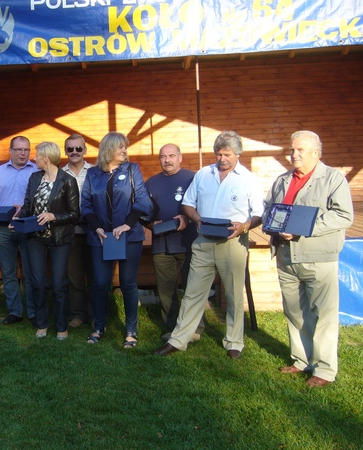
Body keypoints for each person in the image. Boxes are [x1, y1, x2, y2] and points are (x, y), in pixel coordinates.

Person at [153, 130, 264, 359]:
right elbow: (188, 203)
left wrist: (244, 226)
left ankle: (234, 342)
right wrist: (197, 219)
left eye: (227, 154)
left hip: (233, 242)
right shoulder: (204, 174)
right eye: (218, 154)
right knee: (192, 293)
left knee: (233, 294)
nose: (222, 159)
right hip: (203, 242)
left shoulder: (249, 179)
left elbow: (259, 213)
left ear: (238, 154)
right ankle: (178, 340)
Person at [264, 130, 353, 387]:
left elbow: (343, 215)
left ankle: (324, 370)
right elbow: (268, 208)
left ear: (316, 152)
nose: (294, 154)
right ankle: (302, 360)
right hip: (286, 256)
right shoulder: (282, 180)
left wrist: (304, 227)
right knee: (294, 311)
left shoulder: (333, 179)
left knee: (323, 315)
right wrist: (273, 224)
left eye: (300, 150)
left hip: (318, 257)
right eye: (292, 149)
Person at [81, 132, 153, 348]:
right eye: (120, 146)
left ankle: (131, 330)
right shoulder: (92, 174)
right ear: (108, 149)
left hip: (129, 236)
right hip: (101, 238)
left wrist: (127, 224)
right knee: (100, 283)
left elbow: (143, 201)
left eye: (125, 147)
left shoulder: (132, 170)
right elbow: (85, 205)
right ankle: (98, 326)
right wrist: (97, 228)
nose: (124, 150)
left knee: (128, 283)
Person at [16, 141, 79, 339]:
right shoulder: (35, 178)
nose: (34, 158)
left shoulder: (68, 181)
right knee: (38, 282)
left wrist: (53, 216)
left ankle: (61, 327)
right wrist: (18, 219)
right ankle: (42, 324)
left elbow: (75, 214)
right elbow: (28, 206)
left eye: (37, 155)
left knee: (59, 284)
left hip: (60, 238)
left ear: (46, 158)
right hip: (35, 238)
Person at [144, 143, 201, 340]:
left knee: (192, 287)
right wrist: (151, 224)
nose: (167, 160)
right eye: (163, 156)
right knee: (166, 289)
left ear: (180, 157)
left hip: (188, 242)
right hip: (161, 244)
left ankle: (194, 328)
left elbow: (204, 205)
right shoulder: (151, 183)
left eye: (171, 156)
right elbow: (142, 212)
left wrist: (188, 218)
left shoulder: (193, 178)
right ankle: (172, 328)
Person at [0, 136, 37, 325]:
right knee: (8, 272)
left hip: (28, 226)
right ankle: (15, 312)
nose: (23, 153)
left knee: (31, 272)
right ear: (10, 151)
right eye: (19, 149)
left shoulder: (37, 171)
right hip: (4, 227)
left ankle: (33, 312)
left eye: (26, 150)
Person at [62, 134, 94, 328]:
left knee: (95, 275)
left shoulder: (95, 172)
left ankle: (95, 315)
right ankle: (77, 314)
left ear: (85, 150)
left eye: (78, 148)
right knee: (74, 276)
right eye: (70, 149)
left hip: (93, 231)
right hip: (70, 231)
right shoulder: (60, 174)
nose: (74, 152)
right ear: (65, 151)